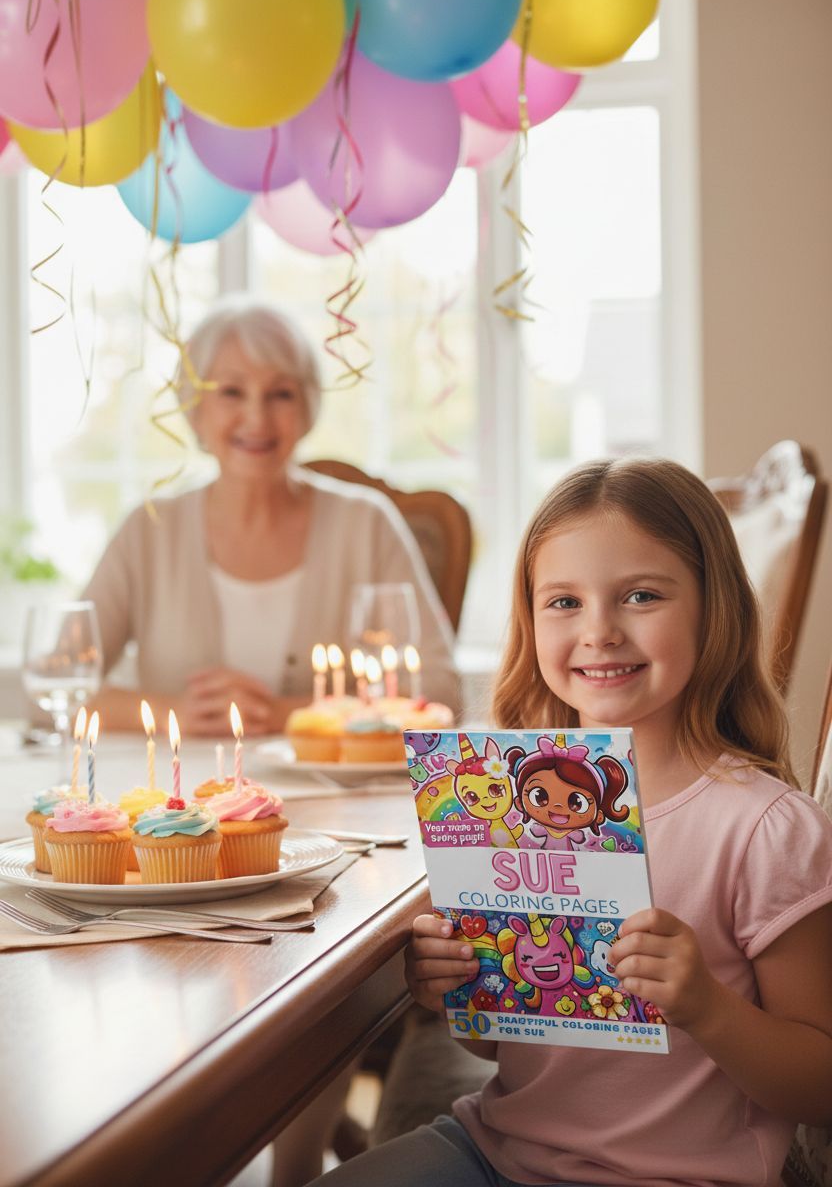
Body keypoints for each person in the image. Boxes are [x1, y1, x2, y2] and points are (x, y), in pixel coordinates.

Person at [309, 456, 832, 1187]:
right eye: (564, 602)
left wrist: (707, 1008)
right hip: (493, 1150)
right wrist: (462, 989)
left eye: (641, 595)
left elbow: (819, 1088)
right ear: (529, 622)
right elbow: (513, 1047)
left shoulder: (767, 829)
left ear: (714, 609)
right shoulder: (500, 806)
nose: (600, 631)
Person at [83, 295, 460, 735]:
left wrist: (287, 715)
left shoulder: (367, 525)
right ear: (194, 407)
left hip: (328, 781)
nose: (256, 418)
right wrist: (176, 713)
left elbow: (441, 690)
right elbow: (57, 686)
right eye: (231, 392)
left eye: (281, 394)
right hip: (176, 781)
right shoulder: (148, 530)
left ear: (307, 408)